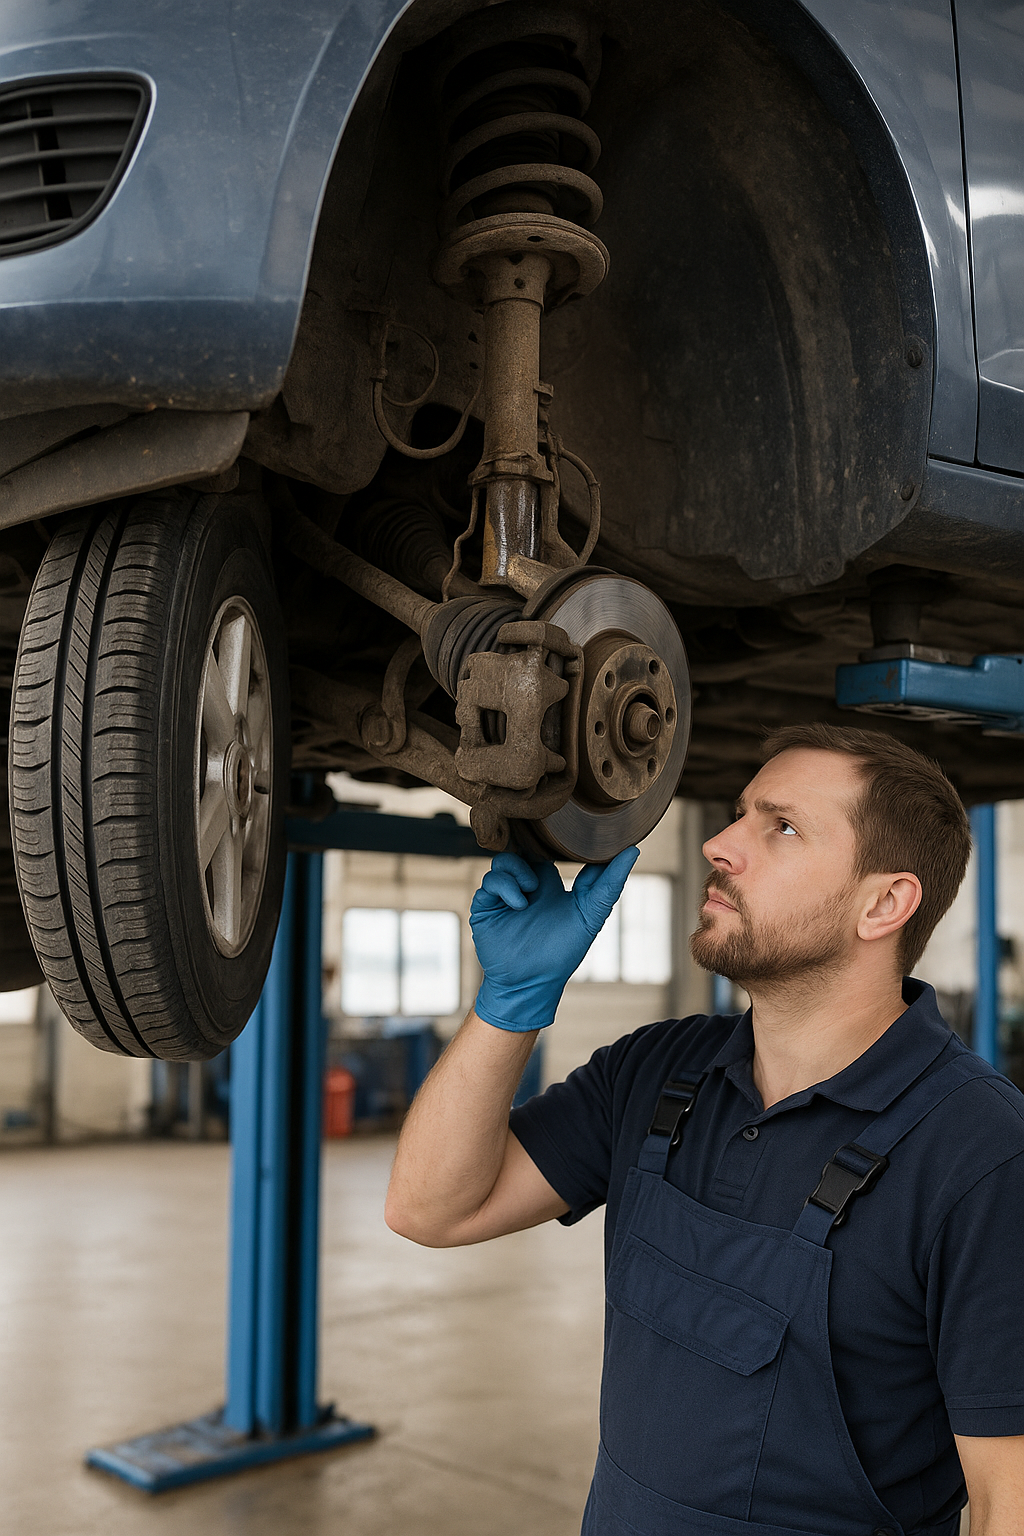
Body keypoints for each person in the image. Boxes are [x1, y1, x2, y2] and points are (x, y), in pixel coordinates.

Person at [386, 723, 1024, 1536]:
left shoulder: (980, 1152)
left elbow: (1010, 1500)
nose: (721, 845)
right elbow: (431, 1208)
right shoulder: (657, 1070)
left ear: (885, 904)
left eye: (781, 827)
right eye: (738, 814)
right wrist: (511, 1002)